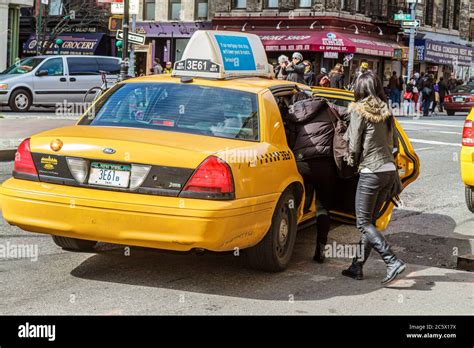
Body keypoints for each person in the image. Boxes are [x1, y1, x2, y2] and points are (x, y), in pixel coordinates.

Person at [342, 71, 405, 285]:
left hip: (371, 171)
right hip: (389, 172)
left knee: (362, 223)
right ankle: (356, 265)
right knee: (370, 223)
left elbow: (354, 143)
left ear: (360, 89)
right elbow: (394, 143)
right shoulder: (387, 110)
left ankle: (392, 260)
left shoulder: (359, 110)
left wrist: (350, 162)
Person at [286, 92, 343, 263]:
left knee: (294, 203)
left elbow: (288, 139)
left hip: (300, 163)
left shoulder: (292, 113)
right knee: (323, 207)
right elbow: (351, 114)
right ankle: (320, 250)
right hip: (323, 165)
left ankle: (287, 243)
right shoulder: (327, 107)